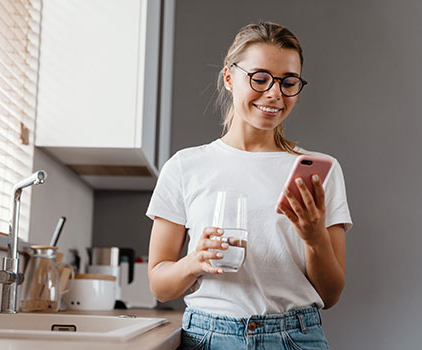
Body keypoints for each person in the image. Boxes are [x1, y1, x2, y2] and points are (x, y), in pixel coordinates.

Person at [146, 22, 352, 349]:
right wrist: (193, 261)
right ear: (229, 77)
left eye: (289, 82)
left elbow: (330, 295)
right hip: (208, 338)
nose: (274, 93)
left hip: (296, 337)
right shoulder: (185, 167)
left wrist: (315, 240)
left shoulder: (319, 171)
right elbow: (159, 286)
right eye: (260, 78)